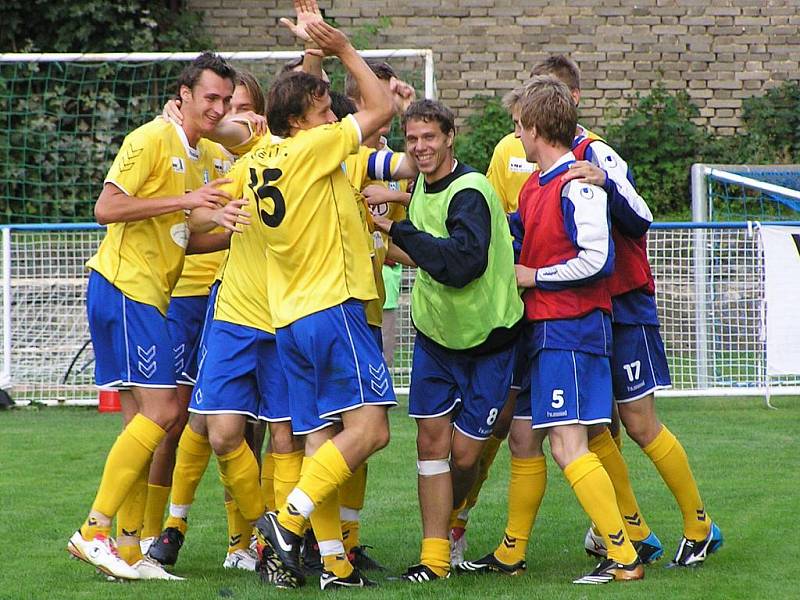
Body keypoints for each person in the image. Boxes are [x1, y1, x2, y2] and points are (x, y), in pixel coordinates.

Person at [199, 13, 397, 590]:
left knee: (318, 439)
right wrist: (342, 47)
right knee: (373, 430)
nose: (333, 117)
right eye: (323, 110)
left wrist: (311, 61)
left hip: (287, 321)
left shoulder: (259, 157)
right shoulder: (314, 148)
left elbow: (254, 128)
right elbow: (381, 108)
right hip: (332, 309)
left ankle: (334, 565)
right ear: (299, 121)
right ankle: (285, 525)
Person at [67, 52, 236, 581]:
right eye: (209, 97)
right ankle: (93, 530)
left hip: (147, 293)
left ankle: (129, 549)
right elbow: (107, 208)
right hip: (124, 287)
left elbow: (187, 240)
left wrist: (234, 231)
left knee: (145, 420)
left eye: (225, 100)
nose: (218, 107)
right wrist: (183, 200)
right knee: (164, 412)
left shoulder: (205, 152)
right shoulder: (149, 139)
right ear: (183, 94)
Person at [490, 75, 642, 585]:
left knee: (568, 445)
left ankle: (624, 555)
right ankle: (512, 552)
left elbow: (598, 259)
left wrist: (535, 276)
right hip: (544, 331)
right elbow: (521, 241)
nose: (516, 138)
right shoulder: (535, 184)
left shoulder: (578, 183)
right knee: (523, 438)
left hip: (571, 330)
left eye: (517, 128)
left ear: (534, 129)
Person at [371, 99, 524, 583]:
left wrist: (397, 229)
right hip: (437, 337)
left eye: (429, 138)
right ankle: (434, 558)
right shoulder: (417, 188)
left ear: (450, 137)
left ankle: (456, 522)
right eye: (412, 139)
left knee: (464, 455)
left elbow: (461, 264)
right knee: (430, 442)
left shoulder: (472, 191)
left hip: (489, 340)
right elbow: (424, 251)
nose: (420, 147)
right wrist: (377, 240)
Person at [562, 116, 723, 571]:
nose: (519, 133)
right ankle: (635, 533)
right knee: (592, 425)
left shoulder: (595, 152)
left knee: (638, 421)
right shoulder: (543, 165)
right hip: (586, 309)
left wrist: (607, 183)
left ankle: (700, 527)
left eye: (523, 123)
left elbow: (642, 216)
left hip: (625, 305)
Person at [145, 71, 279, 573]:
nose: (228, 113)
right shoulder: (177, 139)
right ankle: (161, 530)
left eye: (241, 106)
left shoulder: (256, 151)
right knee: (179, 420)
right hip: (184, 295)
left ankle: (243, 541)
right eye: (220, 102)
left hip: (234, 298)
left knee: (243, 424)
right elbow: (172, 217)